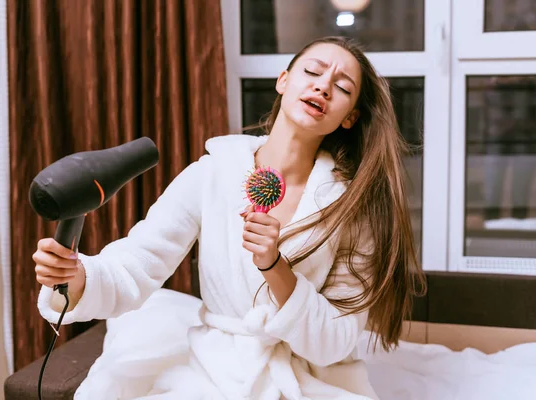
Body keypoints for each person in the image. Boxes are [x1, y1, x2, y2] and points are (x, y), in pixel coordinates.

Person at [33, 36, 425, 400]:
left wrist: (275, 266)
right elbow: (138, 262)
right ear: (283, 81)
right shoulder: (212, 174)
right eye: (312, 71)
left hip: (310, 377)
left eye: (342, 88)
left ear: (349, 119)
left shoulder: (352, 207)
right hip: (214, 366)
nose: (323, 86)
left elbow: (337, 339)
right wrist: (78, 277)